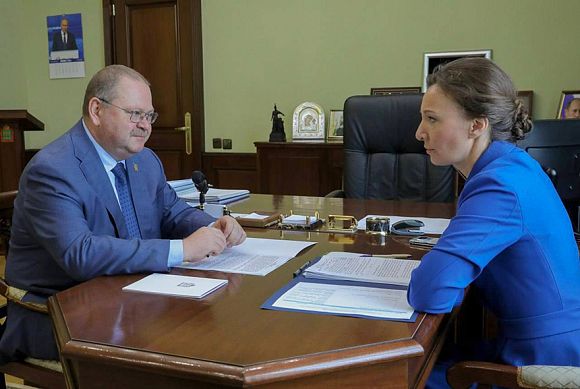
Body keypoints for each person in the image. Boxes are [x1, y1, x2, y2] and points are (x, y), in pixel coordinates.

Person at [0, 65, 246, 362]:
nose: (145, 126)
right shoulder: (52, 170)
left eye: (149, 116)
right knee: (177, 351)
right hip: (59, 312)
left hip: (133, 296)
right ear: (96, 110)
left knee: (210, 333)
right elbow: (81, 254)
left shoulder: (145, 160)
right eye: (135, 114)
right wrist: (183, 249)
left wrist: (216, 226)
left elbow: (171, 212)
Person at [408, 57, 580, 387]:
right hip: (541, 341)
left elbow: (431, 292)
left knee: (404, 375)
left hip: (542, 362)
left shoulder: (498, 185)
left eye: (432, 119)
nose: (419, 132)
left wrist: (444, 275)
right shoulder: (512, 165)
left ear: (477, 125)